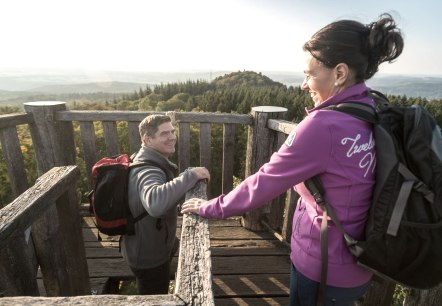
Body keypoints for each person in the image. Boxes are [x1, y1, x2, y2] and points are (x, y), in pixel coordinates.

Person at [181, 13, 403, 306]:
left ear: (339, 73)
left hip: (323, 269)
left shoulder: (324, 127)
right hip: (359, 265)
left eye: (310, 74)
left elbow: (263, 183)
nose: (303, 84)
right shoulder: (372, 109)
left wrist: (211, 207)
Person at [121, 114, 210, 295]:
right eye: (164, 134)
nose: (172, 137)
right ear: (148, 139)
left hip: (145, 245)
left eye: (172, 131)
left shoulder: (146, 158)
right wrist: (191, 176)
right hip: (148, 259)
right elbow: (156, 203)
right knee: (155, 297)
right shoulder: (147, 170)